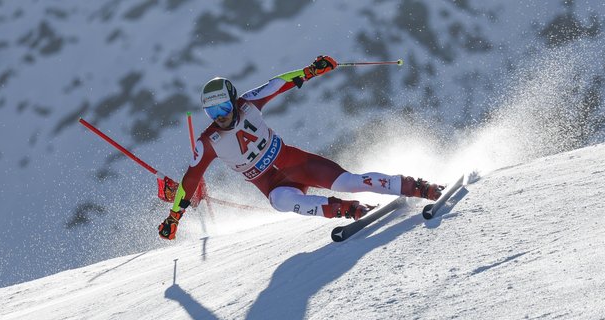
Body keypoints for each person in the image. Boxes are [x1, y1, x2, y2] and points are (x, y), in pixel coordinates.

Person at [158, 55, 443, 240]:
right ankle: (346, 210)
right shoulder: (209, 142)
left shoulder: (248, 104)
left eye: (222, 106)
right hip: (273, 184)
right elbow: (190, 180)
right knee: (280, 202)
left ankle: (414, 187)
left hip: (298, 163)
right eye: (211, 111)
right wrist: (174, 218)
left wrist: (310, 71)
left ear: (232, 100)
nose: (219, 115)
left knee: (349, 181)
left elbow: (278, 83)